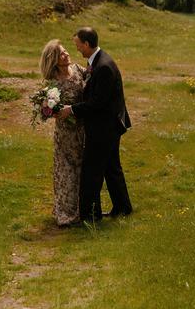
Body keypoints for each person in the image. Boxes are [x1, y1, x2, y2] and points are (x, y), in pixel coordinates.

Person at [58, 27, 133, 222]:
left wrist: (72, 110)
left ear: (87, 44)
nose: (77, 49)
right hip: (108, 126)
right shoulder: (97, 62)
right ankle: (123, 207)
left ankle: (91, 216)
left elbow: (97, 103)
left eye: (78, 45)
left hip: (104, 128)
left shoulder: (104, 67)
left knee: (92, 172)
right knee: (111, 168)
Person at [39, 39, 87, 227]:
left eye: (66, 51)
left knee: (83, 170)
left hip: (83, 129)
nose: (66, 55)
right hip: (66, 133)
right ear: (54, 60)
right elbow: (46, 111)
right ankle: (66, 213)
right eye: (61, 54)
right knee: (66, 172)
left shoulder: (78, 70)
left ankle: (83, 208)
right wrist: (51, 110)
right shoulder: (52, 84)